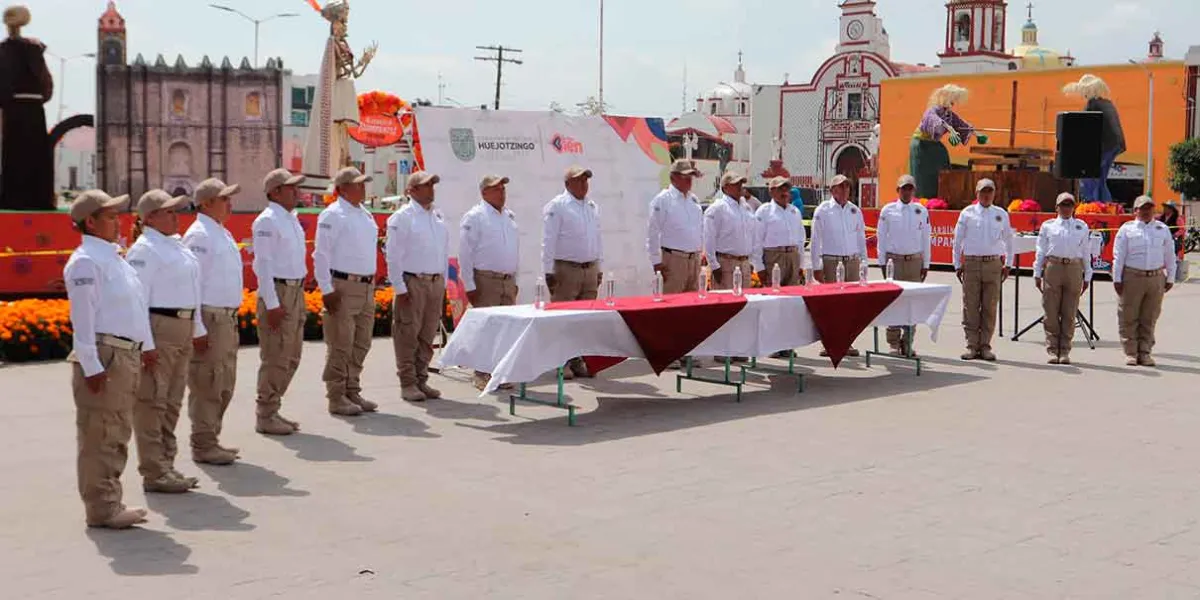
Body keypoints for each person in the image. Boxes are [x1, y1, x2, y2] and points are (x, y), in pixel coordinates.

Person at [64, 190, 155, 528]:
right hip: (105, 353)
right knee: (100, 433)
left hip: (123, 353)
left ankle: (110, 500)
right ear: (91, 221)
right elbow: (83, 318)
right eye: (111, 216)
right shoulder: (86, 261)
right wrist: (91, 364)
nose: (119, 221)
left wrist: (145, 346)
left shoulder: (113, 257)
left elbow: (132, 308)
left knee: (115, 431)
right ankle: (101, 509)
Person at [126, 190, 202, 494]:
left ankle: (166, 464)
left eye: (176, 211)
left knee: (171, 401)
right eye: (168, 211)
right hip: (159, 326)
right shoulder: (144, 250)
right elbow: (137, 300)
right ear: (150, 218)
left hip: (180, 326)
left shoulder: (174, 245)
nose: (175, 216)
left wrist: (196, 329)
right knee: (152, 402)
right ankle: (154, 470)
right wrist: (146, 344)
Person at [182, 178, 244, 465]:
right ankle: (203, 443)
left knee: (224, 383)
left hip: (225, 318)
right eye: (223, 199)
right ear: (206, 203)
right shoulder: (199, 236)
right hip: (209, 316)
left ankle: (211, 439)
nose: (229, 204)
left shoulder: (220, 232)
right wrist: (197, 327)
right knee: (208, 382)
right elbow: (192, 284)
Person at [314, 166, 381, 414]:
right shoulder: (333, 215)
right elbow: (320, 254)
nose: (362, 188)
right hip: (342, 285)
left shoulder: (364, 214)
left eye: (363, 183)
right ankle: (336, 395)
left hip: (366, 286)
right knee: (341, 343)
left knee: (361, 342)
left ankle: (352, 390)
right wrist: (326, 288)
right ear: (342, 189)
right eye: (357, 184)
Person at [251, 169, 309, 436]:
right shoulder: (267, 221)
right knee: (276, 355)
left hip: (295, 291)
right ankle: (265, 413)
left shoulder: (290, 219)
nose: (296, 192)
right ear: (274, 192)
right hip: (279, 290)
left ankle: (273, 408)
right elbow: (263, 265)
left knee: (292, 355)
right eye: (290, 188)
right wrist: (272, 303)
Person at [386, 170, 449, 401]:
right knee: (407, 334)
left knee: (427, 333)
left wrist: (442, 283)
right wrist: (399, 287)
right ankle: (408, 382)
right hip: (412, 281)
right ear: (411, 190)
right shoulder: (402, 217)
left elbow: (442, 251)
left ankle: (421, 379)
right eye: (425, 185)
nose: (431, 189)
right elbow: (392, 255)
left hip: (434, 281)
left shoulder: (437, 216)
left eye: (432, 184)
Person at [301, 0, 376, 183]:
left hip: (344, 92)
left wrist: (364, 61)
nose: (343, 26)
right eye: (341, 22)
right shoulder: (333, 44)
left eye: (344, 23)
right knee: (337, 135)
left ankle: (344, 170)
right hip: (339, 92)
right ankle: (336, 174)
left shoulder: (343, 45)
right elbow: (343, 70)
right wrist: (362, 62)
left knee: (342, 137)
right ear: (334, 23)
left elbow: (353, 73)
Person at [542, 165, 604, 379]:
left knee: (584, 319)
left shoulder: (592, 206)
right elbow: (548, 241)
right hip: (566, 269)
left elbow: (598, 239)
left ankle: (577, 359)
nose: (583, 184)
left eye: (586, 180)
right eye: (578, 180)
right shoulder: (557, 206)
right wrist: (548, 271)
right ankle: (561, 362)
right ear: (567, 184)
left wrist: (599, 267)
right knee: (563, 318)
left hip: (589, 268)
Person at [458, 175, 518, 392]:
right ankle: (481, 373)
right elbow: (465, 254)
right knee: (486, 328)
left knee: (505, 328)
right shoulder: (475, 217)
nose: (502, 192)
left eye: (503, 188)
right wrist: (470, 285)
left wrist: (515, 280)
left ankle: (499, 372)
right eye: (496, 189)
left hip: (507, 280)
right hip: (486, 280)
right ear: (484, 193)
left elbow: (513, 251)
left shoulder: (509, 217)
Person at [952, 178, 1013, 361]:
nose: (986, 195)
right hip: (971, 263)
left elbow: (1009, 240)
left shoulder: (1001, 214)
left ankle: (985, 346)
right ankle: (971, 345)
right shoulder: (967, 213)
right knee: (970, 306)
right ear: (976, 193)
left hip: (993, 264)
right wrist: (956, 264)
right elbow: (957, 241)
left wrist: (1008, 263)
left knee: (990, 306)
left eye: (989, 192)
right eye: (983, 192)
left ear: (994, 193)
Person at [0, 5, 54, 210]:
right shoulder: (34, 48)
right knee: (37, 155)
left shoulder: (4, 49)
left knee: (13, 155)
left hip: (13, 109)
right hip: (33, 108)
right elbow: (46, 83)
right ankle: (39, 200)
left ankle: (13, 199)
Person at [1112, 195, 1176, 367]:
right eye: (1143, 208)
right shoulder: (1127, 229)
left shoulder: (1162, 229)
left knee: (1150, 317)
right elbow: (1118, 256)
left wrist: (1170, 277)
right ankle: (1131, 353)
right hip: (1132, 276)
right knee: (1129, 316)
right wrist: (1116, 278)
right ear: (1135, 211)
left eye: (1150, 208)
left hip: (1155, 277)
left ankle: (1145, 352)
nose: (1147, 211)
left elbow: (1170, 254)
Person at [810, 174, 869, 357]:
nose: (844, 191)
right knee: (831, 305)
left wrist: (864, 263)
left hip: (852, 261)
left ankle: (846, 342)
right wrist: (816, 265)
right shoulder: (823, 210)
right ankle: (828, 343)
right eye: (840, 187)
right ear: (832, 190)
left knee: (850, 305)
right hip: (831, 261)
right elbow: (815, 240)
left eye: (847, 187)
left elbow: (860, 239)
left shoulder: (854, 211)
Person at [1033, 193, 1093, 365]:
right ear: (1056, 207)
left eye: (1069, 205)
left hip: (1074, 267)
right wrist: (1037, 273)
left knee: (1069, 311)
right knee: (1051, 310)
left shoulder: (1081, 226)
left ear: (1074, 207)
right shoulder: (1048, 226)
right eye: (1063, 205)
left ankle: (1065, 349)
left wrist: (1087, 274)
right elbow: (1041, 250)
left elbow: (1085, 252)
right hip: (1054, 266)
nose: (1066, 208)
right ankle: (1052, 349)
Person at [875, 174, 931, 355]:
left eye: (910, 188)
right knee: (894, 302)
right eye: (903, 188)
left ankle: (907, 342)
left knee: (911, 303)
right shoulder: (888, 210)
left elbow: (925, 238)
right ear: (897, 190)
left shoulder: (921, 211)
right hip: (894, 261)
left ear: (914, 191)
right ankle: (893, 341)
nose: (907, 192)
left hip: (914, 260)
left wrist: (926, 264)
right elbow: (881, 238)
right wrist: (882, 262)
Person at [909, 84, 987, 199]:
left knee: (943, 160)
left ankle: (940, 195)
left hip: (934, 145)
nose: (953, 103)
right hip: (922, 145)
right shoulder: (932, 111)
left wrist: (977, 135)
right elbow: (935, 121)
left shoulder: (949, 115)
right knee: (923, 175)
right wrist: (949, 129)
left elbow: (961, 125)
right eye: (952, 100)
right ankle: (924, 197)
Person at [1063, 74, 1125, 202]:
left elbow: (1082, 124)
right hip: (1115, 145)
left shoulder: (1093, 104)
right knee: (1100, 179)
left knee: (1088, 176)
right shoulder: (1107, 103)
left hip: (1104, 146)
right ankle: (1104, 205)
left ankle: (1092, 203)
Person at [647, 159, 705, 294]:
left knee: (693, 305)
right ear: (673, 178)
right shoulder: (663, 200)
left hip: (694, 260)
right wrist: (656, 262)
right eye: (685, 177)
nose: (689, 180)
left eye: (691, 176)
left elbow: (700, 229)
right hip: (674, 260)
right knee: (672, 304)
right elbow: (653, 232)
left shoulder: (694, 200)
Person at [704, 172, 756, 290]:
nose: (740, 186)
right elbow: (709, 238)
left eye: (741, 183)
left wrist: (751, 261)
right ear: (725, 188)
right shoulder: (717, 208)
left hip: (744, 263)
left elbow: (752, 235)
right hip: (726, 263)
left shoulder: (746, 208)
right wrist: (714, 265)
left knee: (745, 303)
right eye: (735, 184)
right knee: (725, 303)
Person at [753, 176, 806, 287]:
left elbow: (801, 239)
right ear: (771, 192)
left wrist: (801, 264)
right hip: (773, 258)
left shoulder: (794, 211)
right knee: (774, 294)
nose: (784, 193)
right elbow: (756, 241)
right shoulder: (764, 211)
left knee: (793, 295)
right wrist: (759, 268)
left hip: (793, 257)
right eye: (780, 189)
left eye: (787, 190)